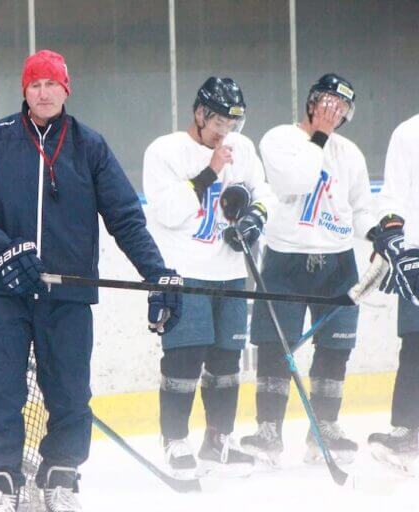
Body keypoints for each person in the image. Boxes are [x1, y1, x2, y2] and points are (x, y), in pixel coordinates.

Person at [0, 49, 182, 512]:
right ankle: (2, 483)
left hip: (69, 291)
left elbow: (125, 217)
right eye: (35, 84)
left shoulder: (89, 145)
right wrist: (7, 250)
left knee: (70, 393)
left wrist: (156, 271)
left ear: (66, 89)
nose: (43, 92)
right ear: (25, 90)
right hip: (2, 292)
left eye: (52, 84)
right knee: (1, 391)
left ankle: (61, 475)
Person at [240, 74, 374, 466]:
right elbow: (295, 180)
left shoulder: (351, 154)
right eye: (328, 103)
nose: (335, 112)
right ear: (312, 102)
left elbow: (361, 208)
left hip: (338, 261)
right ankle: (268, 431)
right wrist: (320, 136)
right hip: (286, 258)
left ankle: (326, 429)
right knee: (274, 345)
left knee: (336, 347)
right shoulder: (279, 138)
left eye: (342, 108)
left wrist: (379, 235)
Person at [143, 77, 273, 478]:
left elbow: (262, 189)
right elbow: (168, 211)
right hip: (185, 273)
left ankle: (219, 440)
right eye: (219, 122)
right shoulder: (164, 151)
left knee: (226, 361)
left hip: (232, 274)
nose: (226, 132)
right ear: (200, 114)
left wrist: (255, 219)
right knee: (183, 359)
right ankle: (175, 439)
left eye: (233, 124)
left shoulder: (243, 148)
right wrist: (211, 170)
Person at [367, 114, 419, 473]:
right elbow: (392, 197)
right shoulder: (409, 132)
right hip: (418, 255)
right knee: (416, 344)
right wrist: (395, 239)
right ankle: (409, 430)